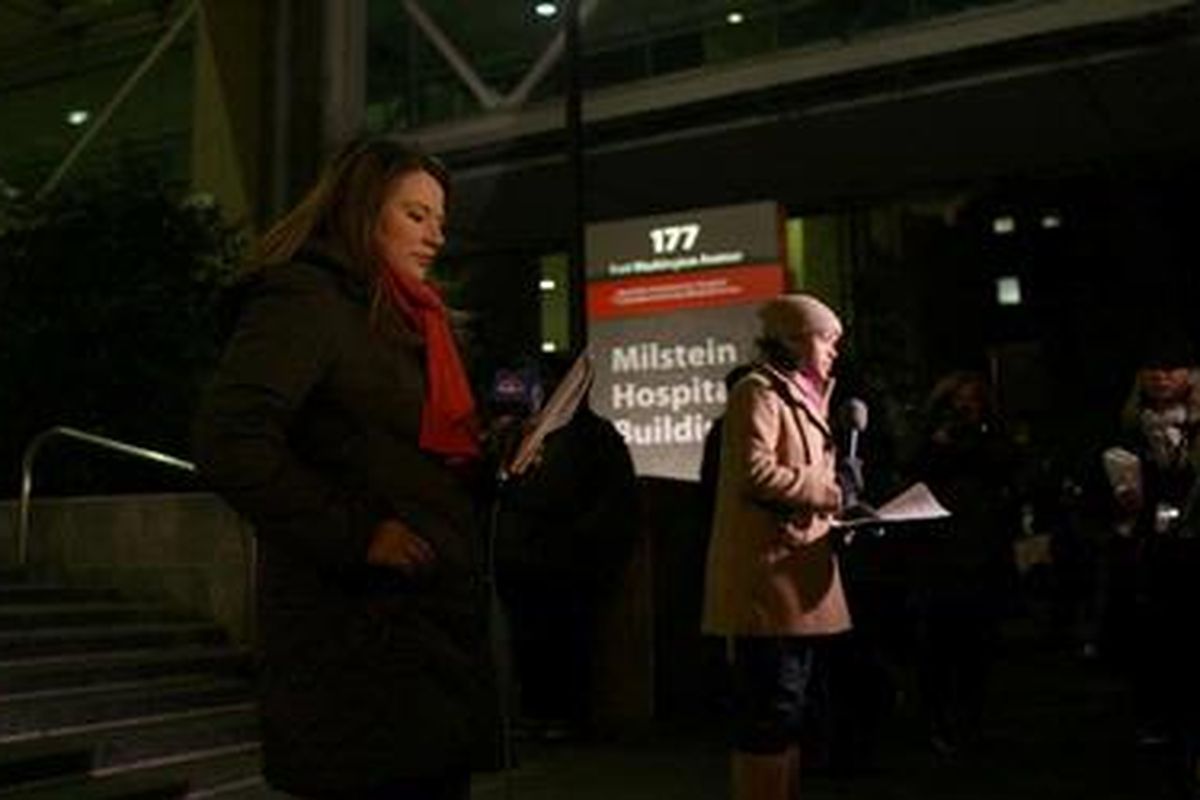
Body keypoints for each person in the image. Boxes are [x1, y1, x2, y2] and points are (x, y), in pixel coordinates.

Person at [193, 138, 493, 799]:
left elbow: (407, 454)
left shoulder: (415, 320)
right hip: (354, 644)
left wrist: (499, 454)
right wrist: (358, 535)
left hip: (426, 637)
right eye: (416, 215)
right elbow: (230, 440)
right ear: (363, 212)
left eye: (440, 220)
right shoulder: (305, 298)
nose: (436, 236)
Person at [702, 293, 851, 800]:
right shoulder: (758, 392)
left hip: (793, 581)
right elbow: (756, 472)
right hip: (768, 587)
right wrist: (832, 494)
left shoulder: (801, 395)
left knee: (786, 713)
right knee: (768, 714)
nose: (835, 351)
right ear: (797, 339)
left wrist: (843, 508)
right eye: (828, 339)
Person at [493, 356, 638, 740]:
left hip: (566, 562)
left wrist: (581, 541)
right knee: (529, 642)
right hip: (523, 560)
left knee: (567, 642)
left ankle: (566, 714)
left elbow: (615, 499)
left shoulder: (597, 435)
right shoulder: (527, 432)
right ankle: (535, 711)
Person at [1102, 339, 1200, 794]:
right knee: (1159, 633)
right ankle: (1161, 718)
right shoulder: (1130, 430)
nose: (1162, 378)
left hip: (1191, 540)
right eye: (1153, 369)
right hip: (1152, 547)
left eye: (1173, 368)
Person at [909, 370, 1018, 756]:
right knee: (939, 641)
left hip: (980, 548)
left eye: (973, 401)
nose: (965, 408)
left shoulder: (992, 438)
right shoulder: (930, 440)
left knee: (977, 642)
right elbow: (917, 472)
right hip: (940, 550)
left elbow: (1007, 469)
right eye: (959, 401)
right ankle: (938, 719)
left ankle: (970, 719)